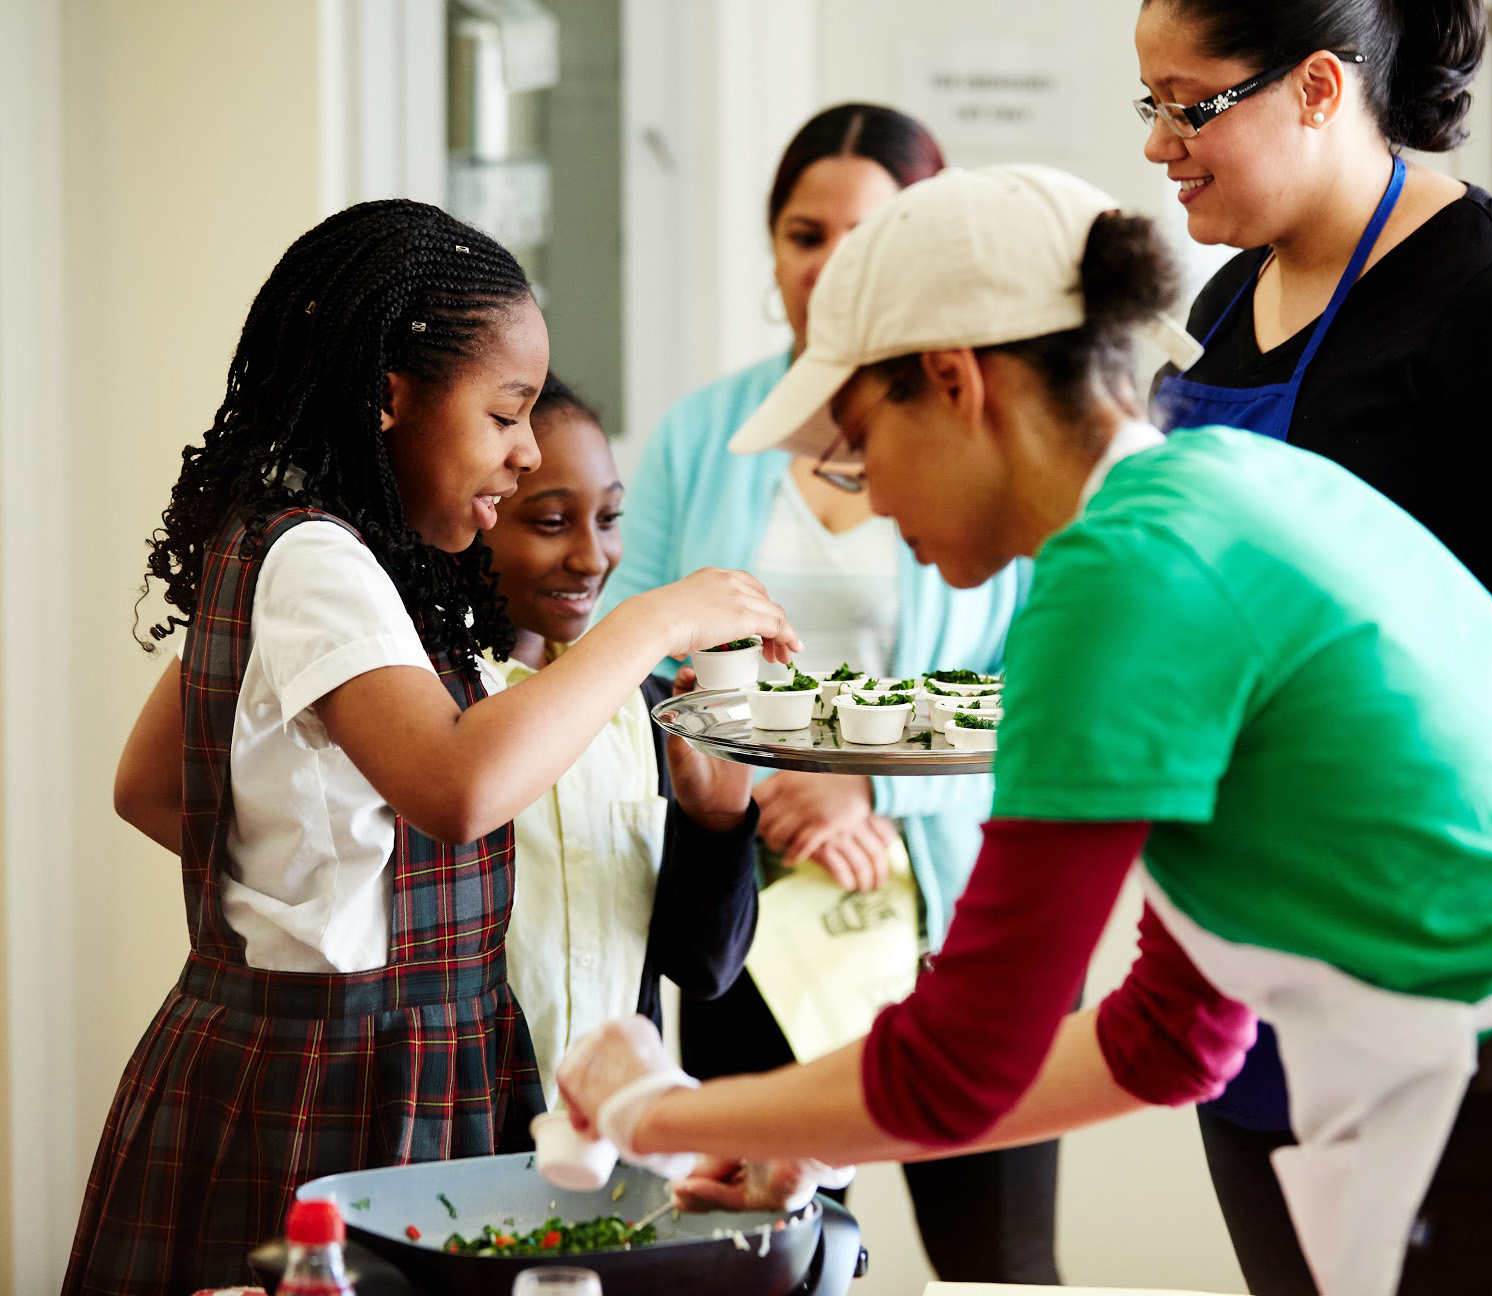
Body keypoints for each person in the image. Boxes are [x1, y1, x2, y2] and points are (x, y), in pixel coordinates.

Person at [555, 164, 1492, 1296]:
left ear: (958, 382)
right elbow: (1169, 1039)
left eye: (862, 447)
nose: (873, 500)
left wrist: (653, 1112)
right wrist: (804, 1133)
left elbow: (964, 1059)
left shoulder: (1120, 569)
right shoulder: (1232, 497)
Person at [70, 199, 797, 1296]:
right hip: (338, 1074)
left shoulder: (333, 554)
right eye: (506, 414)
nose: (523, 450)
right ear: (389, 395)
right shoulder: (314, 561)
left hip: (395, 1055)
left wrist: (314, 881)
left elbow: (148, 785)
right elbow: (458, 789)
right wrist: (656, 619)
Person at [1132, 3, 1492, 1285]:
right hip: (1264, 955)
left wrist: (1279, 765)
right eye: (1147, 104)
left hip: (1469, 972)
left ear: (1319, 87)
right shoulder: (1229, 300)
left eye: (1189, 106)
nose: (1157, 144)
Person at [595, 103, 1056, 1283]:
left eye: (870, 237)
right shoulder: (707, 432)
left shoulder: (996, 437)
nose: (833, 266)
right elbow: (621, 651)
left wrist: (868, 790)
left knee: (996, 1261)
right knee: (751, 1250)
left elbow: (1047, 694)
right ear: (771, 247)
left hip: (954, 911)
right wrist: (756, 791)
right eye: (806, 235)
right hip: (755, 914)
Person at [481, 373, 762, 1102]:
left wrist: (718, 820)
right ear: (476, 510)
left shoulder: (646, 711)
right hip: (472, 1128)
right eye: (551, 521)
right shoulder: (435, 706)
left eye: (608, 519)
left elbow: (706, 967)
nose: (592, 557)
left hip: (611, 1135)